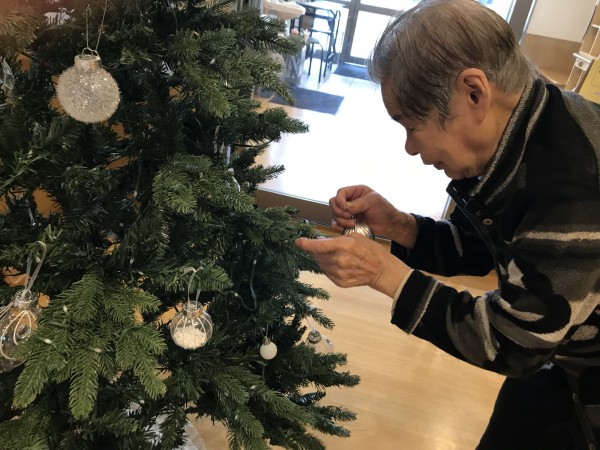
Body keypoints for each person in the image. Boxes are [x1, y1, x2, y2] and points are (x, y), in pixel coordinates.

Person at [294, 0, 600, 448]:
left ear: (474, 92)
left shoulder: (571, 186)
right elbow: (484, 250)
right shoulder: (527, 130)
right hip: (561, 348)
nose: (409, 148)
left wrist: (385, 274)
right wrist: (399, 225)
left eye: (411, 125)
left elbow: (515, 342)